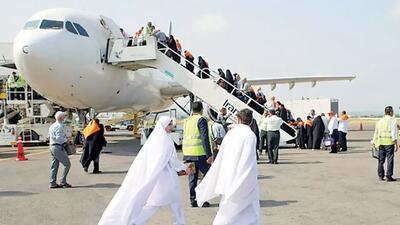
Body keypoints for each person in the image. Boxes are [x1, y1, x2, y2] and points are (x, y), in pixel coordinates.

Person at [98, 117, 191, 225]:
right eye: (170, 125)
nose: (172, 127)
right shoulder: (167, 141)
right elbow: (172, 160)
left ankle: (137, 221)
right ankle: (176, 223)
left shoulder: (153, 140)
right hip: (165, 176)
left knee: (159, 202)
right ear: (164, 125)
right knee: (166, 201)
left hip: (155, 175)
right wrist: (185, 168)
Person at [195, 108, 260, 225]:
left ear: (238, 119)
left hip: (227, 178)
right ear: (251, 121)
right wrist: (244, 183)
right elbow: (247, 162)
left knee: (228, 212)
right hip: (241, 181)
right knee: (242, 215)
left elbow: (221, 157)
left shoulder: (231, 134)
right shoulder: (250, 135)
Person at [182, 101, 213, 207]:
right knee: (207, 176)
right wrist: (209, 155)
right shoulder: (201, 120)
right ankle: (202, 199)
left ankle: (193, 200)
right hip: (200, 154)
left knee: (192, 178)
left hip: (188, 154)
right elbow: (204, 138)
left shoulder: (187, 120)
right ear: (201, 110)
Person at [373, 106, 398, 182]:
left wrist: (374, 142)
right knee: (390, 159)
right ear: (390, 112)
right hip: (389, 143)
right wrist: (396, 144)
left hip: (380, 142)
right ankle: (389, 176)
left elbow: (376, 132)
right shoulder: (392, 120)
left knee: (381, 160)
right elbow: (393, 133)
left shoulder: (380, 121)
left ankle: (380, 175)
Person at [48, 111, 72, 188]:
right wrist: (66, 140)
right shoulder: (60, 126)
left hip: (52, 146)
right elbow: (59, 139)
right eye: (64, 116)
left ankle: (53, 182)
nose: (64, 118)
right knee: (67, 164)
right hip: (58, 147)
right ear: (61, 118)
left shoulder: (52, 126)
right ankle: (63, 181)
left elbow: (50, 136)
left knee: (54, 165)